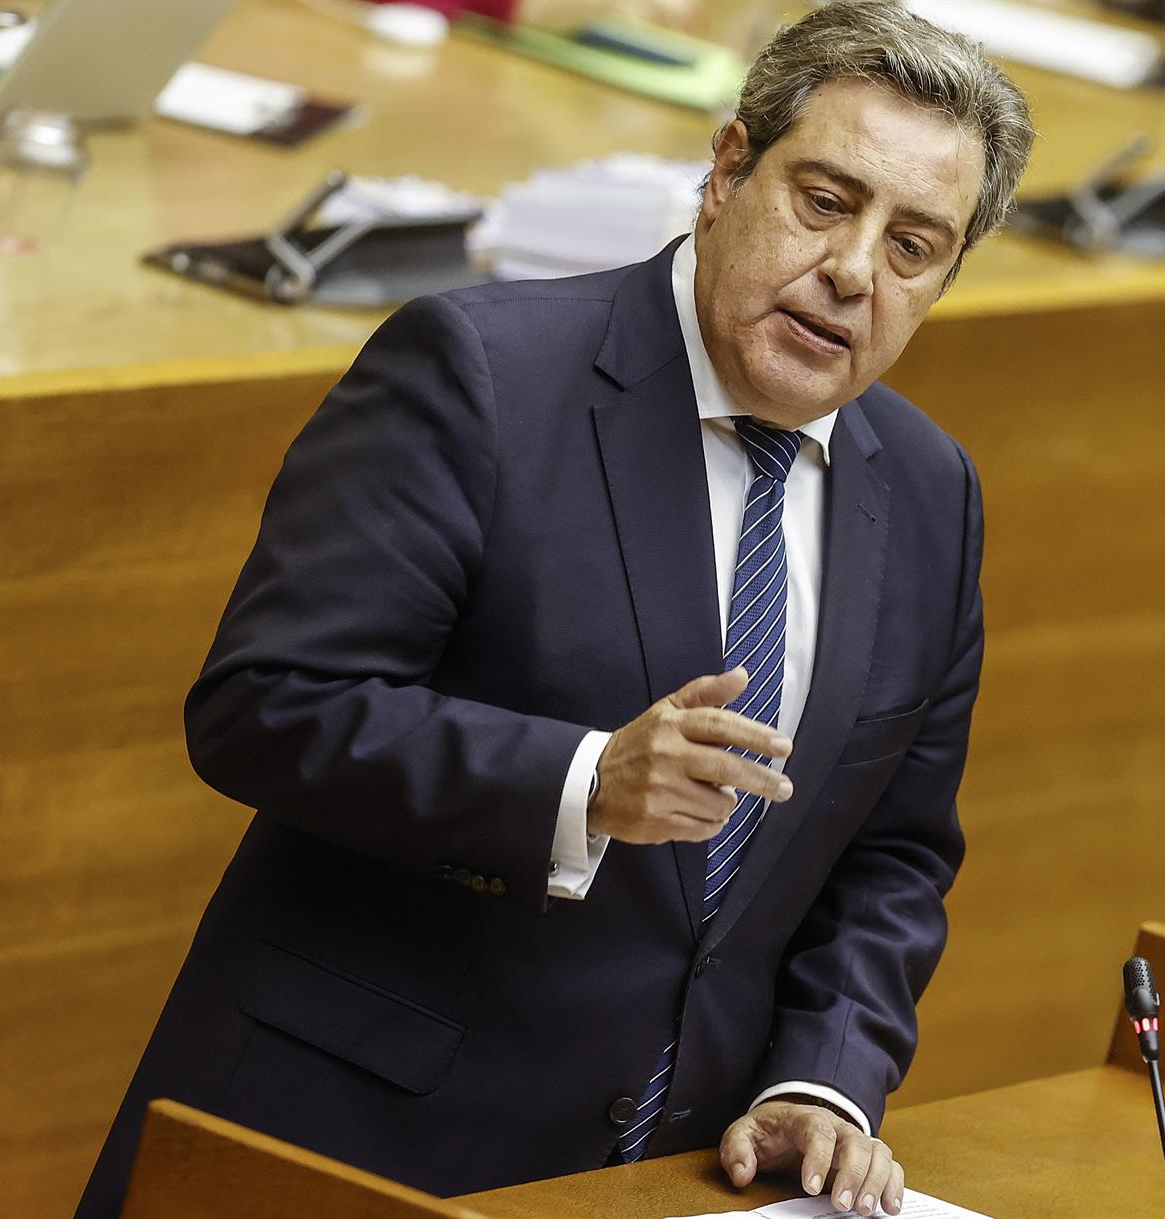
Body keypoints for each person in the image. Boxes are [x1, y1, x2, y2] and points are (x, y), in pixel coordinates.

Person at [75, 2, 1033, 1215]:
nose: (853, 270)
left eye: (912, 246)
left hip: (654, 1180)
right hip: (344, 1144)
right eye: (825, 202)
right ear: (728, 171)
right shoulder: (479, 375)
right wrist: (583, 784)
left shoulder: (934, 493)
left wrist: (825, 1077)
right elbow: (266, 705)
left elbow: (892, 854)